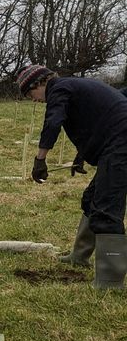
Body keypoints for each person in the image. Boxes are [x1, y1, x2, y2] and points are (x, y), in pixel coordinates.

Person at [18, 64, 127, 289]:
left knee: (107, 210)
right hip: (116, 141)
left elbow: (53, 122)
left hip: (121, 144)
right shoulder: (73, 86)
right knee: (91, 199)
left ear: (40, 83)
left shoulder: (58, 89)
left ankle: (110, 283)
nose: (34, 100)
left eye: (31, 93)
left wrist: (40, 159)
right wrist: (81, 156)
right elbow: (96, 119)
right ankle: (79, 256)